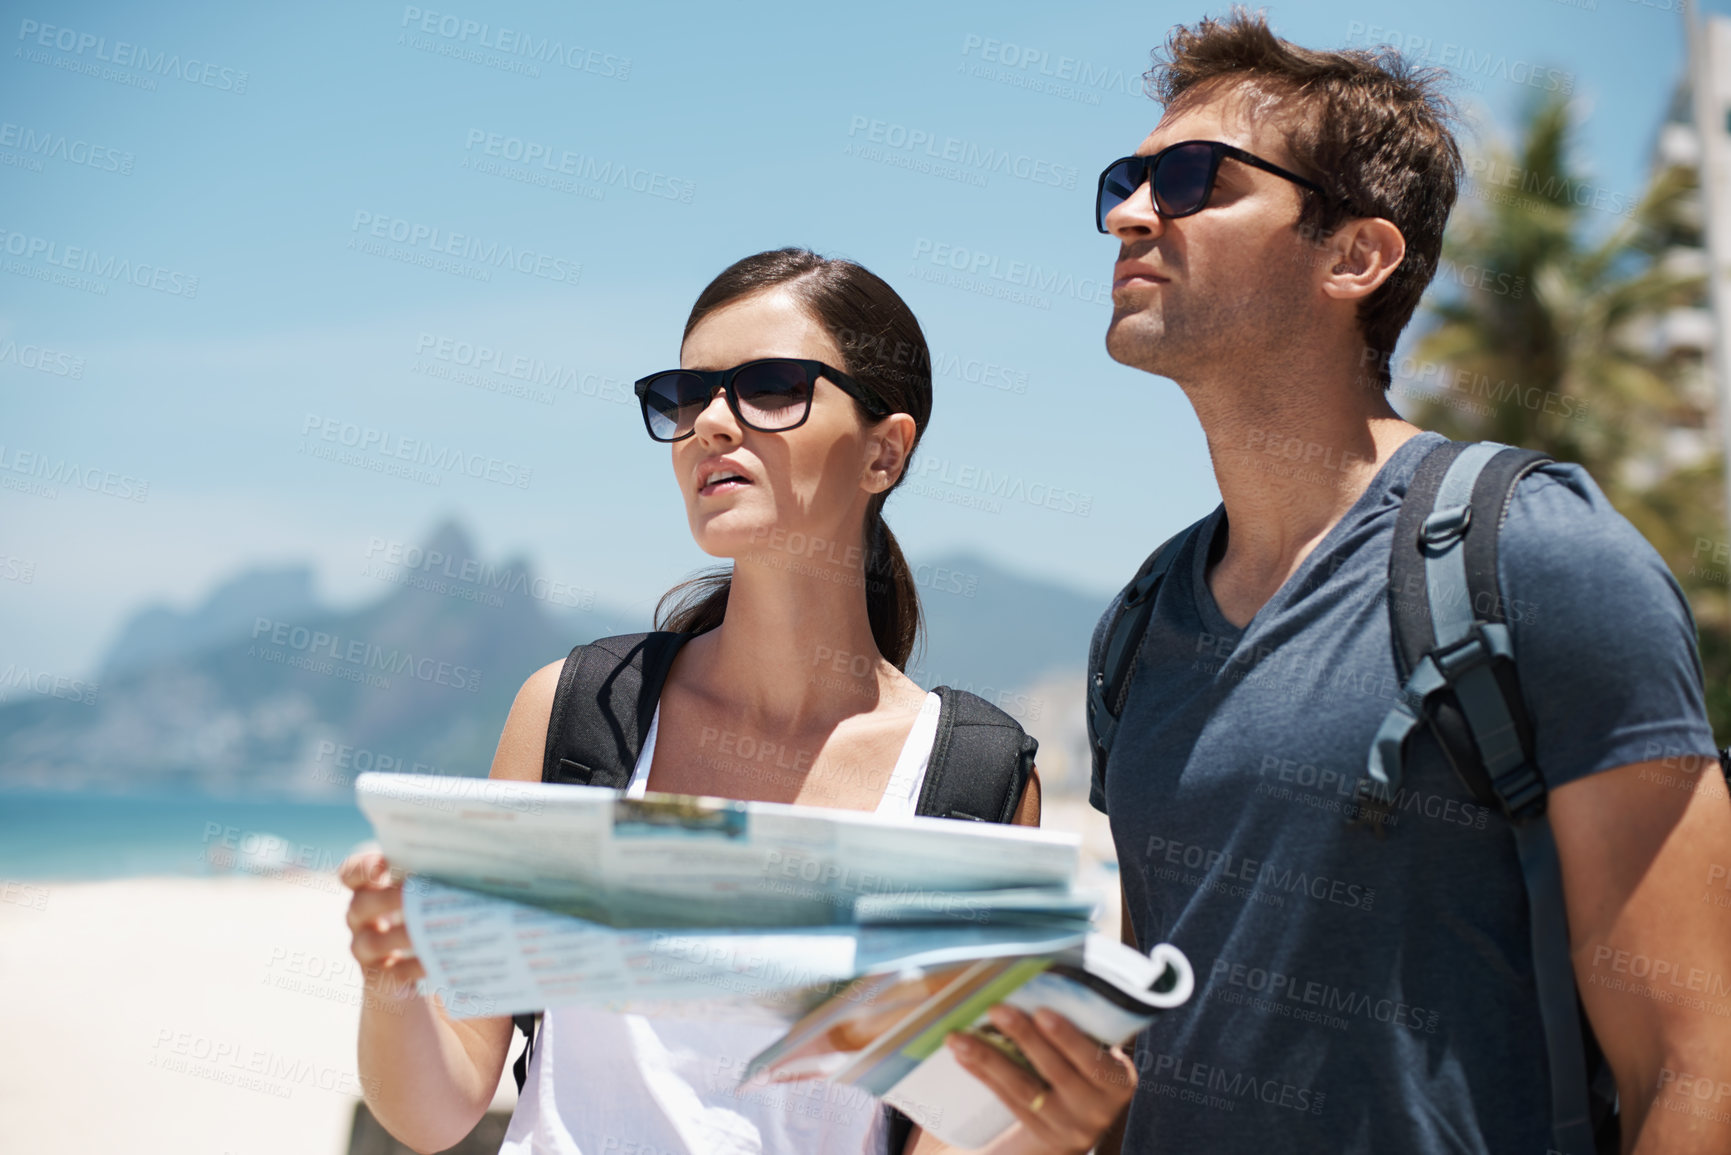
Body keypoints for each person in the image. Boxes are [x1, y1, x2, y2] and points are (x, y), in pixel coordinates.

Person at [1089, 11, 1731, 1155]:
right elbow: (1152, 1033)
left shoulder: (1538, 560)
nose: (1134, 213)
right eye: (1126, 180)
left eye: (1192, 179)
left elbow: (1694, 1065)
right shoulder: (1140, 627)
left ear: (1356, 256)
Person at [340, 248, 1138, 1155]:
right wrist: (392, 977)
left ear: (886, 449)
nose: (710, 424)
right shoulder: (579, 711)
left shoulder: (970, 776)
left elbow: (951, 1133)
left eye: (769, 388)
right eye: (688, 394)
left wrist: (1047, 1128)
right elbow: (434, 1109)